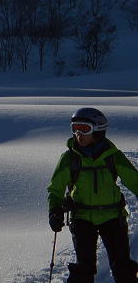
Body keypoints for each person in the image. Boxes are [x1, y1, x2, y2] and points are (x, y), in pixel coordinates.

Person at [47, 107, 138, 282]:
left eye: (84, 129)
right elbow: (55, 189)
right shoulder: (69, 159)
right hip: (82, 218)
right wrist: (54, 210)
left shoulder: (113, 157)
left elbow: (134, 181)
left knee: (123, 267)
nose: (79, 135)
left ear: (98, 130)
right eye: (75, 129)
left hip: (112, 216)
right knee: (83, 269)